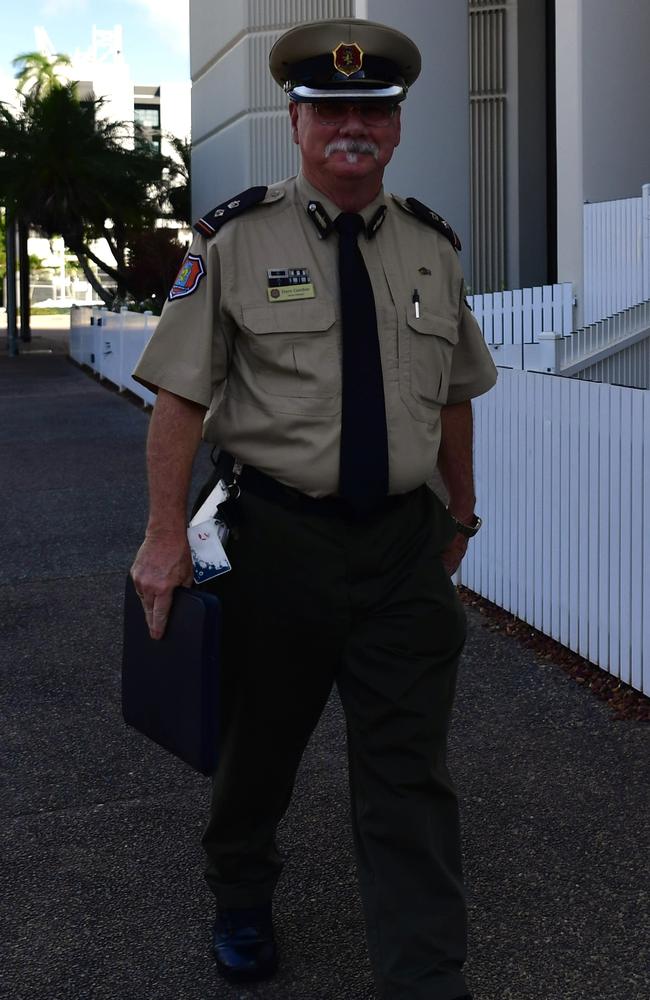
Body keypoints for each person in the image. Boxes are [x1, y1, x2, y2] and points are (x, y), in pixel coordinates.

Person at [130, 17, 497, 1000]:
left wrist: (460, 511)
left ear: (395, 126)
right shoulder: (233, 240)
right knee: (261, 745)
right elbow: (178, 396)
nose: (350, 126)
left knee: (406, 770)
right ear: (293, 121)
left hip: (402, 551)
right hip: (276, 542)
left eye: (370, 112)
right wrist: (165, 538)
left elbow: (454, 391)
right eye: (329, 107)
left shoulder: (431, 248)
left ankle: (423, 973)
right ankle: (240, 892)